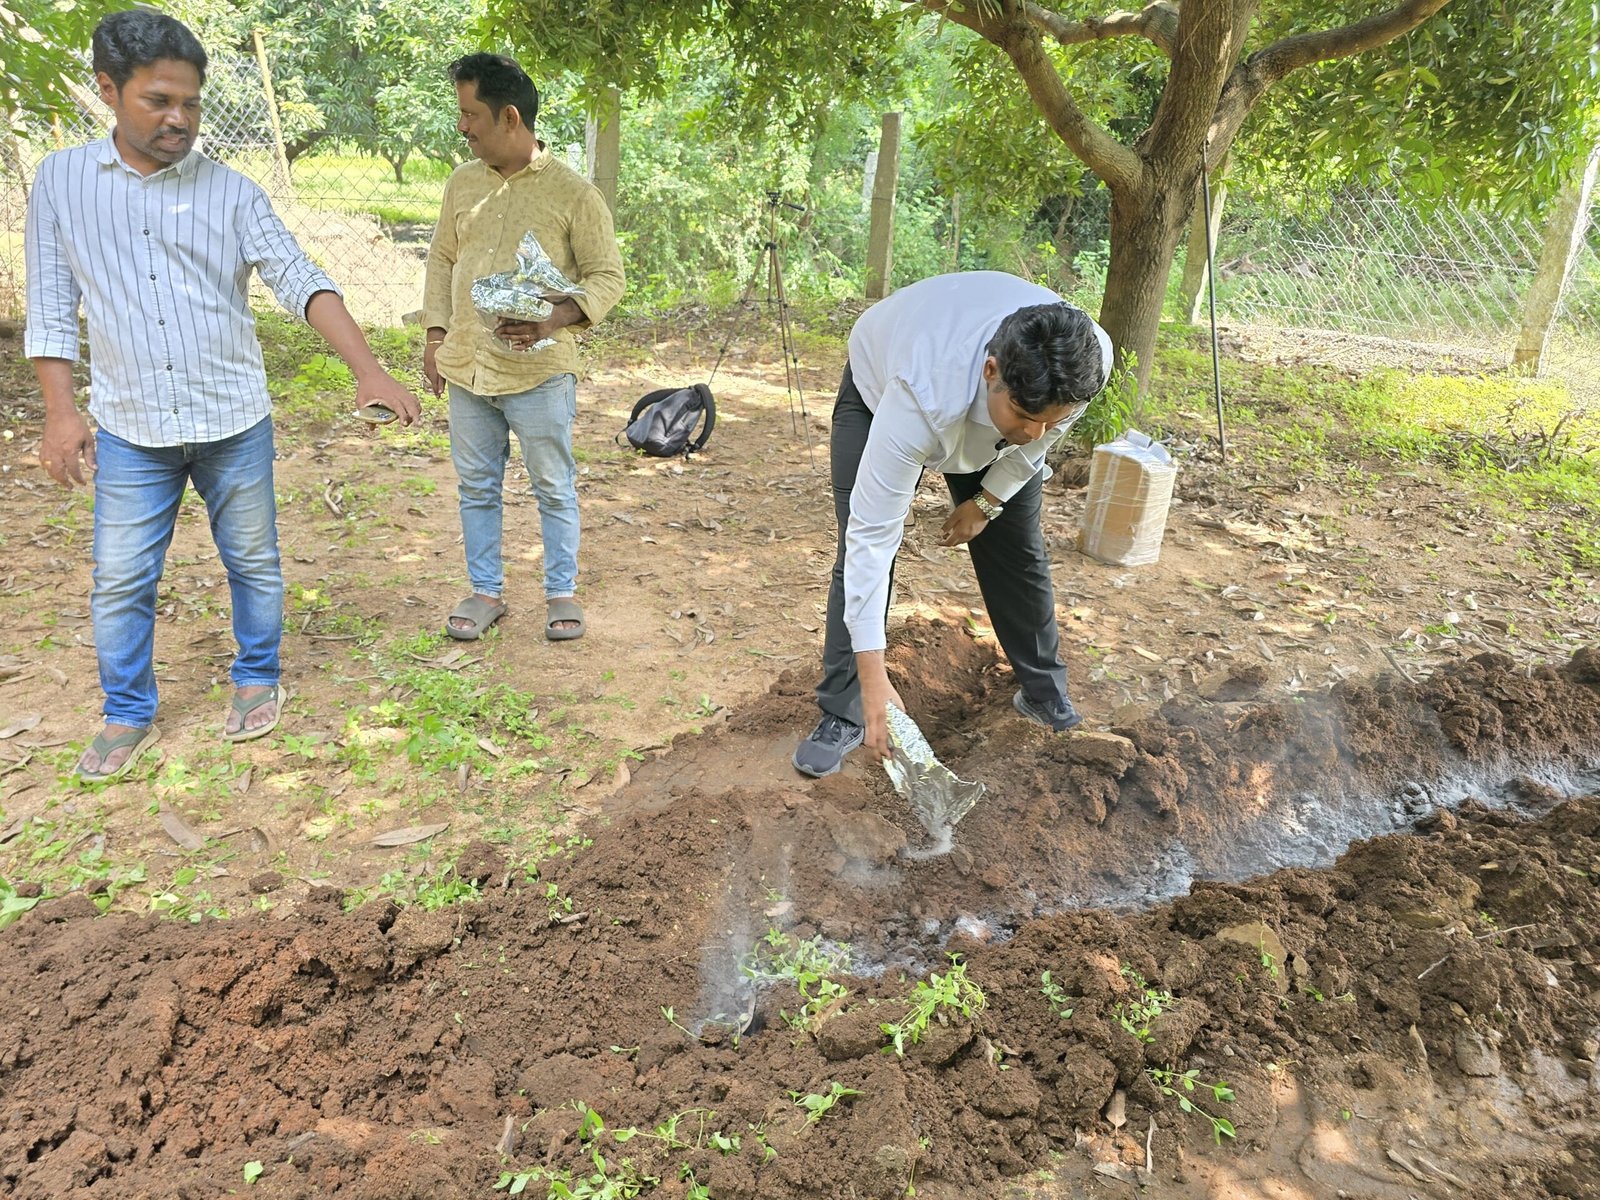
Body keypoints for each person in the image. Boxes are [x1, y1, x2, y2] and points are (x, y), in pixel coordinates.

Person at [25, 10, 423, 783]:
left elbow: (297, 277)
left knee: (253, 559)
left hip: (231, 418)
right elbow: (50, 302)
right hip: (132, 425)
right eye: (159, 101)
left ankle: (256, 675)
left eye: (192, 103)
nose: (179, 119)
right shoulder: (62, 183)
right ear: (108, 89)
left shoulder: (233, 193)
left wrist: (368, 369)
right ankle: (127, 711)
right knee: (121, 577)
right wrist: (61, 412)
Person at [792, 270, 1113, 779]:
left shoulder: (1085, 361)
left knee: (1017, 547)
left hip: (981, 399)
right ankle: (847, 705)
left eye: (1053, 419)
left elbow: (1038, 441)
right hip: (880, 384)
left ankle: (1043, 692)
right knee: (859, 546)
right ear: (991, 370)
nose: (1037, 433)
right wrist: (875, 677)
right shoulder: (919, 393)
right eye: (1026, 415)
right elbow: (872, 537)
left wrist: (986, 502)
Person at [422, 53, 625, 643]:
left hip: (540, 375)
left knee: (552, 486)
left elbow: (607, 277)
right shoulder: (462, 183)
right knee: (476, 486)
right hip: (468, 368)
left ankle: (561, 592)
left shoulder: (574, 194)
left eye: (471, 115)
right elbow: (442, 258)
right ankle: (485, 591)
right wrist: (435, 334)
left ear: (509, 117)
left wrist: (555, 318)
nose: (462, 126)